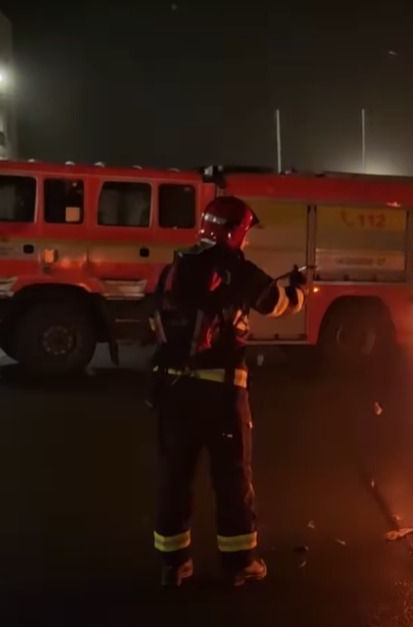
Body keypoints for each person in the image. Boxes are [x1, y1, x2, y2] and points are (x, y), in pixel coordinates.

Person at [150, 195, 306, 588]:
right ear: (234, 232)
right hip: (220, 396)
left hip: (172, 388)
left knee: (175, 477)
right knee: (232, 478)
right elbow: (277, 304)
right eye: (245, 233)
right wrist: (299, 290)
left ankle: (174, 564)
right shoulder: (237, 269)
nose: (247, 241)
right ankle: (240, 565)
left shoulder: (176, 265)